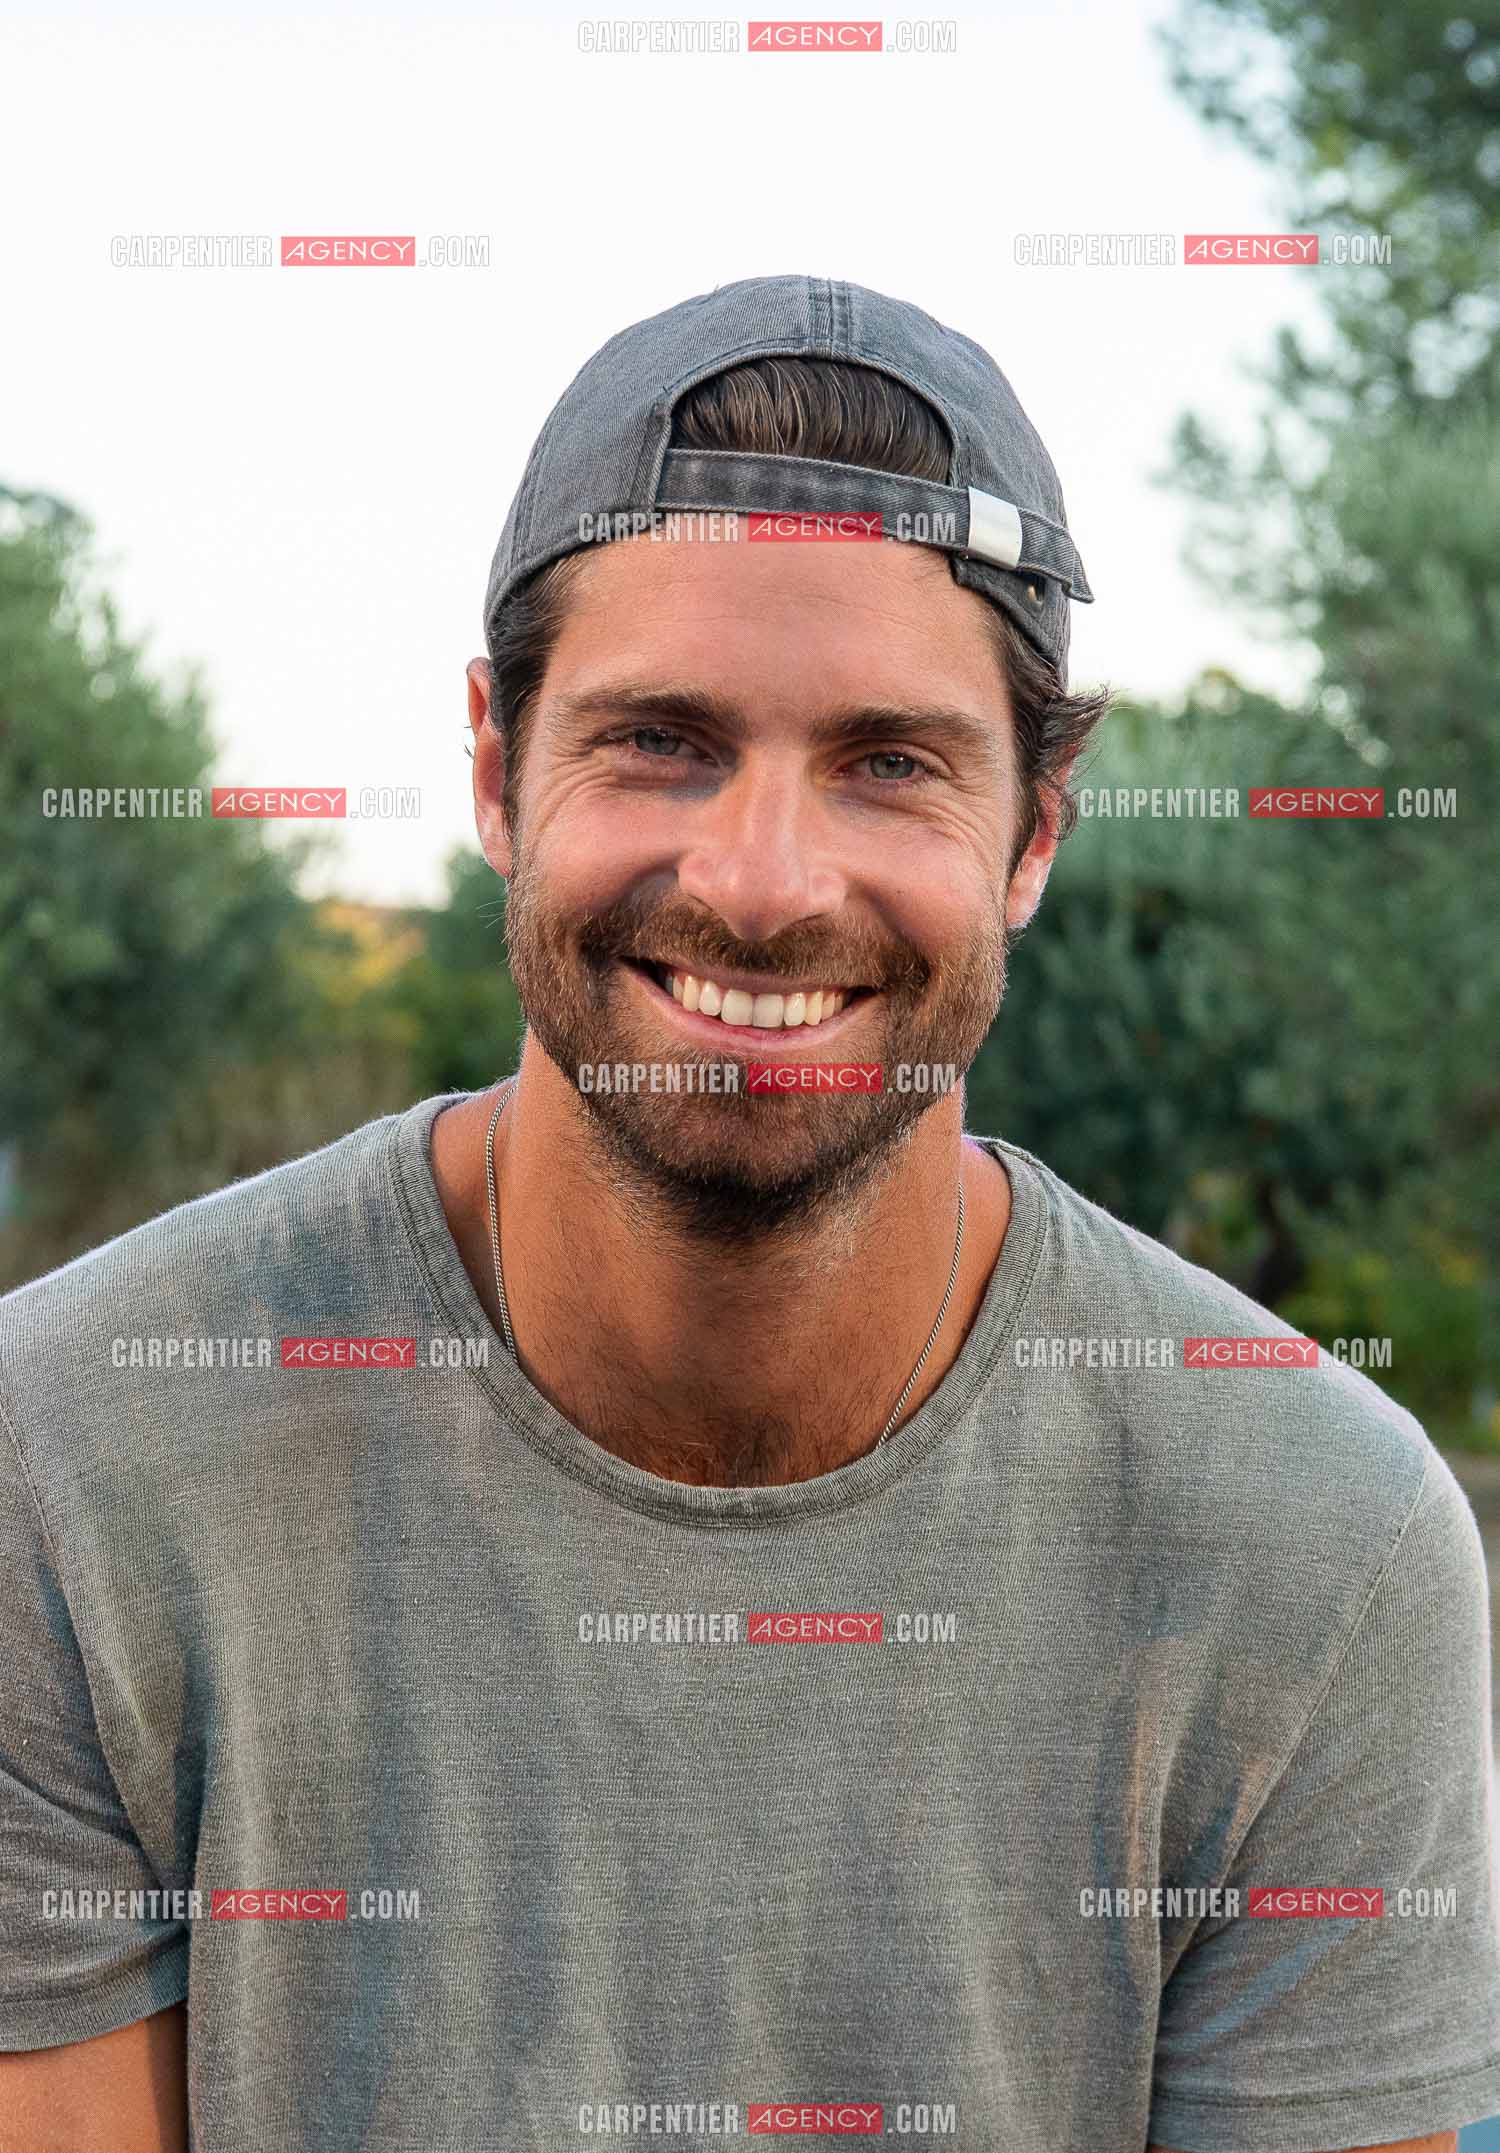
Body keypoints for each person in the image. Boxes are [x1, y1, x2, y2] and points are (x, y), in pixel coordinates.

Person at [1, 276, 1495, 2153]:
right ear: (493, 767)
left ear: (1033, 836)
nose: (766, 882)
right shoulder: (68, 1455)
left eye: (891, 763)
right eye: (661, 741)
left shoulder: (1318, 1543)